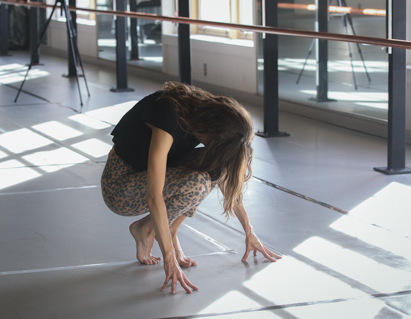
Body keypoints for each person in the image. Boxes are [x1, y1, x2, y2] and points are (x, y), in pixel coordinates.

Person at [101, 82, 282, 294]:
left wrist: (249, 232)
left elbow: (226, 179)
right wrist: (168, 256)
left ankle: (168, 230)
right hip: (120, 187)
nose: (210, 148)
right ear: (212, 129)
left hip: (149, 175)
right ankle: (146, 229)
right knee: (198, 182)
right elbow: (153, 195)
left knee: (218, 168)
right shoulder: (168, 115)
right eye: (214, 144)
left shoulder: (200, 115)